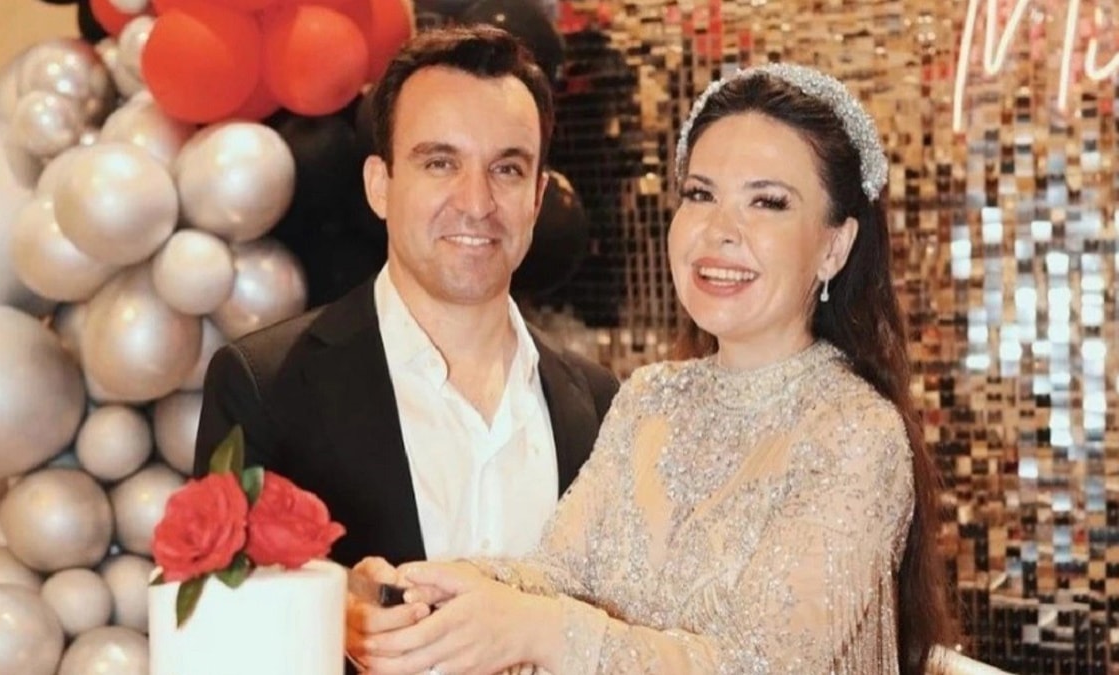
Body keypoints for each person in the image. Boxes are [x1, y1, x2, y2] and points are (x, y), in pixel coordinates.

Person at [352, 63, 951, 675]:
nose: (719, 231)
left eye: (767, 202)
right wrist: (423, 589)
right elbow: (559, 574)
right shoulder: (652, 397)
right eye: (700, 195)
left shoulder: (856, 433)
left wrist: (544, 632)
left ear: (835, 246)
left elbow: (764, 666)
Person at [193, 24, 618, 594]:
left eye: (507, 169)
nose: (476, 203)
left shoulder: (599, 406)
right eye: (440, 163)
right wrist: (342, 619)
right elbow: (222, 621)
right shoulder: (266, 387)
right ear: (380, 185)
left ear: (537, 199)